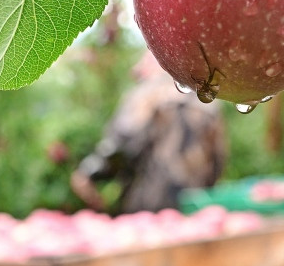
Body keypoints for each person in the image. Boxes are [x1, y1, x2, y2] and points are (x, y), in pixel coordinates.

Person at [71, 51, 228, 214]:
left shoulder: (146, 97)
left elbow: (121, 145)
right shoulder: (207, 104)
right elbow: (218, 159)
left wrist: (89, 172)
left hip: (147, 207)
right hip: (193, 204)